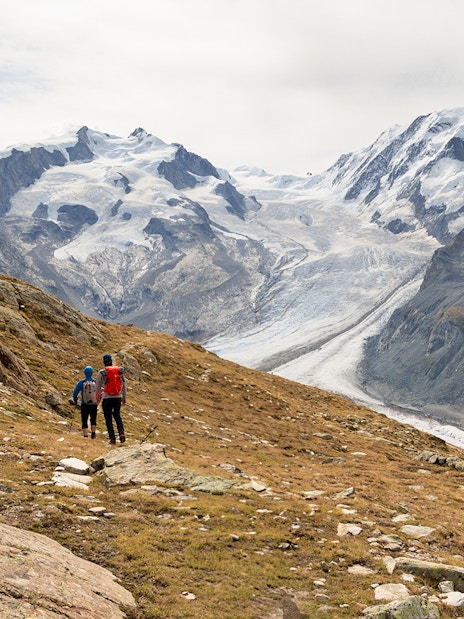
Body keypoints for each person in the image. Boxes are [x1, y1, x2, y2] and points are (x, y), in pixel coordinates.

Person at [95, 354, 127, 445]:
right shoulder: (119, 371)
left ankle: (112, 439)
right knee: (117, 415)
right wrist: (124, 397)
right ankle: (121, 432)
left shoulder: (102, 373)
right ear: (111, 361)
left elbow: (97, 387)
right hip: (117, 397)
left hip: (107, 398)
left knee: (108, 418)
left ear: (104, 362)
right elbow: (124, 385)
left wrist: (97, 399)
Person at [70, 366, 98, 439]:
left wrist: (76, 400)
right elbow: (100, 392)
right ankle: (93, 433)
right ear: (92, 373)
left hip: (84, 403)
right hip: (94, 404)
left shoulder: (81, 382)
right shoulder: (95, 382)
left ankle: (85, 435)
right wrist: (98, 400)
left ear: (84, 373)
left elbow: (75, 393)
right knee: (93, 419)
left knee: (84, 419)